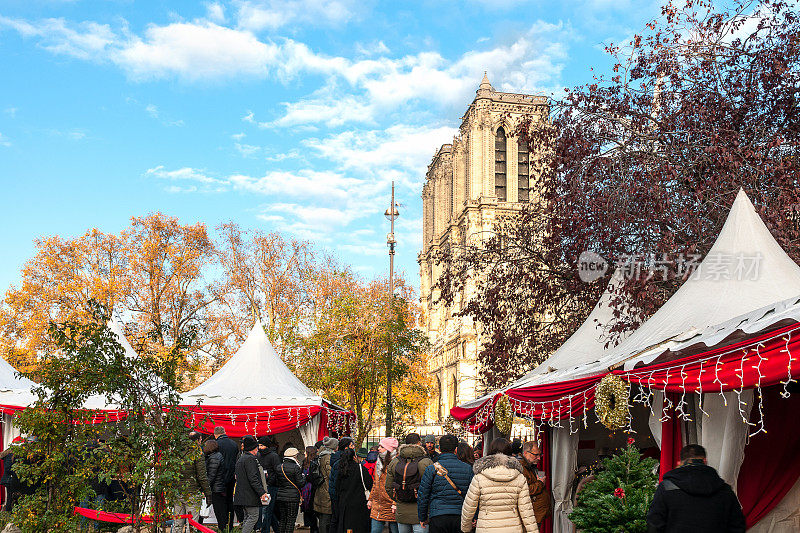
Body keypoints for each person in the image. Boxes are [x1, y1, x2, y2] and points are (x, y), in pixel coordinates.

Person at [646, 444, 746, 533]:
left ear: (680, 462)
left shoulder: (667, 487)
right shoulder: (724, 489)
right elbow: (737, 526)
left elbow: (654, 524)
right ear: (705, 461)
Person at [460, 437, 538, 533]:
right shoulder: (519, 477)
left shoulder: (480, 477)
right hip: (512, 528)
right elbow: (526, 511)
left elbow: (469, 507)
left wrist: (465, 528)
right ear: (509, 452)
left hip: (486, 528)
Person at [417, 434, 473, 533]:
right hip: (460, 515)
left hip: (438, 515)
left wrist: (422, 516)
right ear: (456, 449)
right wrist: (474, 516)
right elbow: (473, 495)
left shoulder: (432, 469)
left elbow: (423, 495)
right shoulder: (468, 468)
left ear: (440, 448)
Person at [385, 433, 434, 533]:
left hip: (402, 512)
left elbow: (388, 487)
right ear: (419, 443)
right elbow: (433, 487)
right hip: (421, 513)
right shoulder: (426, 462)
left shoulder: (394, 462)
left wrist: (399, 497)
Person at [173, 432, 212, 532]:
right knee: (191, 524)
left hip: (177, 491)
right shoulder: (197, 453)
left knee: (177, 523)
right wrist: (208, 494)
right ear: (198, 440)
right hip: (192, 492)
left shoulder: (177, 452)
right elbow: (201, 476)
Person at [233, 435, 269, 533]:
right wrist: (262, 492)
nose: (257, 450)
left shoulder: (241, 458)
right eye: (256, 448)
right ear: (252, 449)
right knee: (253, 517)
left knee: (247, 518)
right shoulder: (250, 459)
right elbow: (253, 478)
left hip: (242, 494)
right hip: (249, 495)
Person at [334, 448, 373, 533]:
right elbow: (369, 484)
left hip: (344, 502)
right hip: (359, 503)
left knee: (346, 525)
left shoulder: (341, 469)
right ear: (354, 457)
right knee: (358, 526)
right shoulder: (361, 469)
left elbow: (337, 487)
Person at [368, 437, 399, 533]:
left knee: (395, 530)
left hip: (392, 504)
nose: (378, 448)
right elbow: (375, 483)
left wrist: (395, 503)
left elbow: (398, 485)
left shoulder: (396, 463)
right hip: (378, 504)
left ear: (389, 449)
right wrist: (370, 499)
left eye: (382, 446)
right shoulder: (378, 462)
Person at [519, 441, 551, 528]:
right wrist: (540, 483)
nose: (539, 458)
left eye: (540, 455)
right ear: (526, 453)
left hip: (535, 514)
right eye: (535, 455)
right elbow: (525, 489)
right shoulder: (521, 467)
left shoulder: (529, 465)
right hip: (530, 515)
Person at [275, 446, 306, 533]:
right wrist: (304, 477)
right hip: (292, 497)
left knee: (282, 519)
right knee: (291, 520)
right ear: (295, 456)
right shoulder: (296, 467)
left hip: (281, 496)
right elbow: (301, 483)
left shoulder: (279, 467)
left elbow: (277, 482)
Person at [215, 426, 239, 532]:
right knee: (230, 502)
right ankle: (230, 526)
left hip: (219, 479)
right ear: (225, 432)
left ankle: (222, 527)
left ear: (216, 434)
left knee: (220, 505)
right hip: (231, 478)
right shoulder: (234, 444)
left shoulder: (216, 444)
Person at [256, 436, 281, 533]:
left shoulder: (273, 456)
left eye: (261, 445)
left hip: (271, 486)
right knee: (268, 509)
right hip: (263, 486)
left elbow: (277, 471)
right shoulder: (258, 455)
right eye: (259, 445)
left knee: (267, 510)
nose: (259, 447)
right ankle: (277, 529)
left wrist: (270, 481)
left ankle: (265, 530)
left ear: (266, 445)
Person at [314, 436, 338, 533]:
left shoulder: (322, 455)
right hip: (326, 491)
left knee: (324, 518)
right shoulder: (328, 458)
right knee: (325, 519)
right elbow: (330, 474)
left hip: (321, 490)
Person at [204, 438, 226, 528]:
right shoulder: (216, 456)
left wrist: (205, 487)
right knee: (220, 511)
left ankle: (222, 528)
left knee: (219, 512)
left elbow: (211, 475)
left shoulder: (214, 458)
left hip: (216, 488)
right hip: (218, 487)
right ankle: (223, 528)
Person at [301, 446, 319, 533]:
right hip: (305, 488)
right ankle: (312, 526)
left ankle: (314, 528)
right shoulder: (304, 462)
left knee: (311, 508)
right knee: (307, 508)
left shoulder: (315, 463)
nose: (304, 453)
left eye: (305, 452)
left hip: (311, 488)